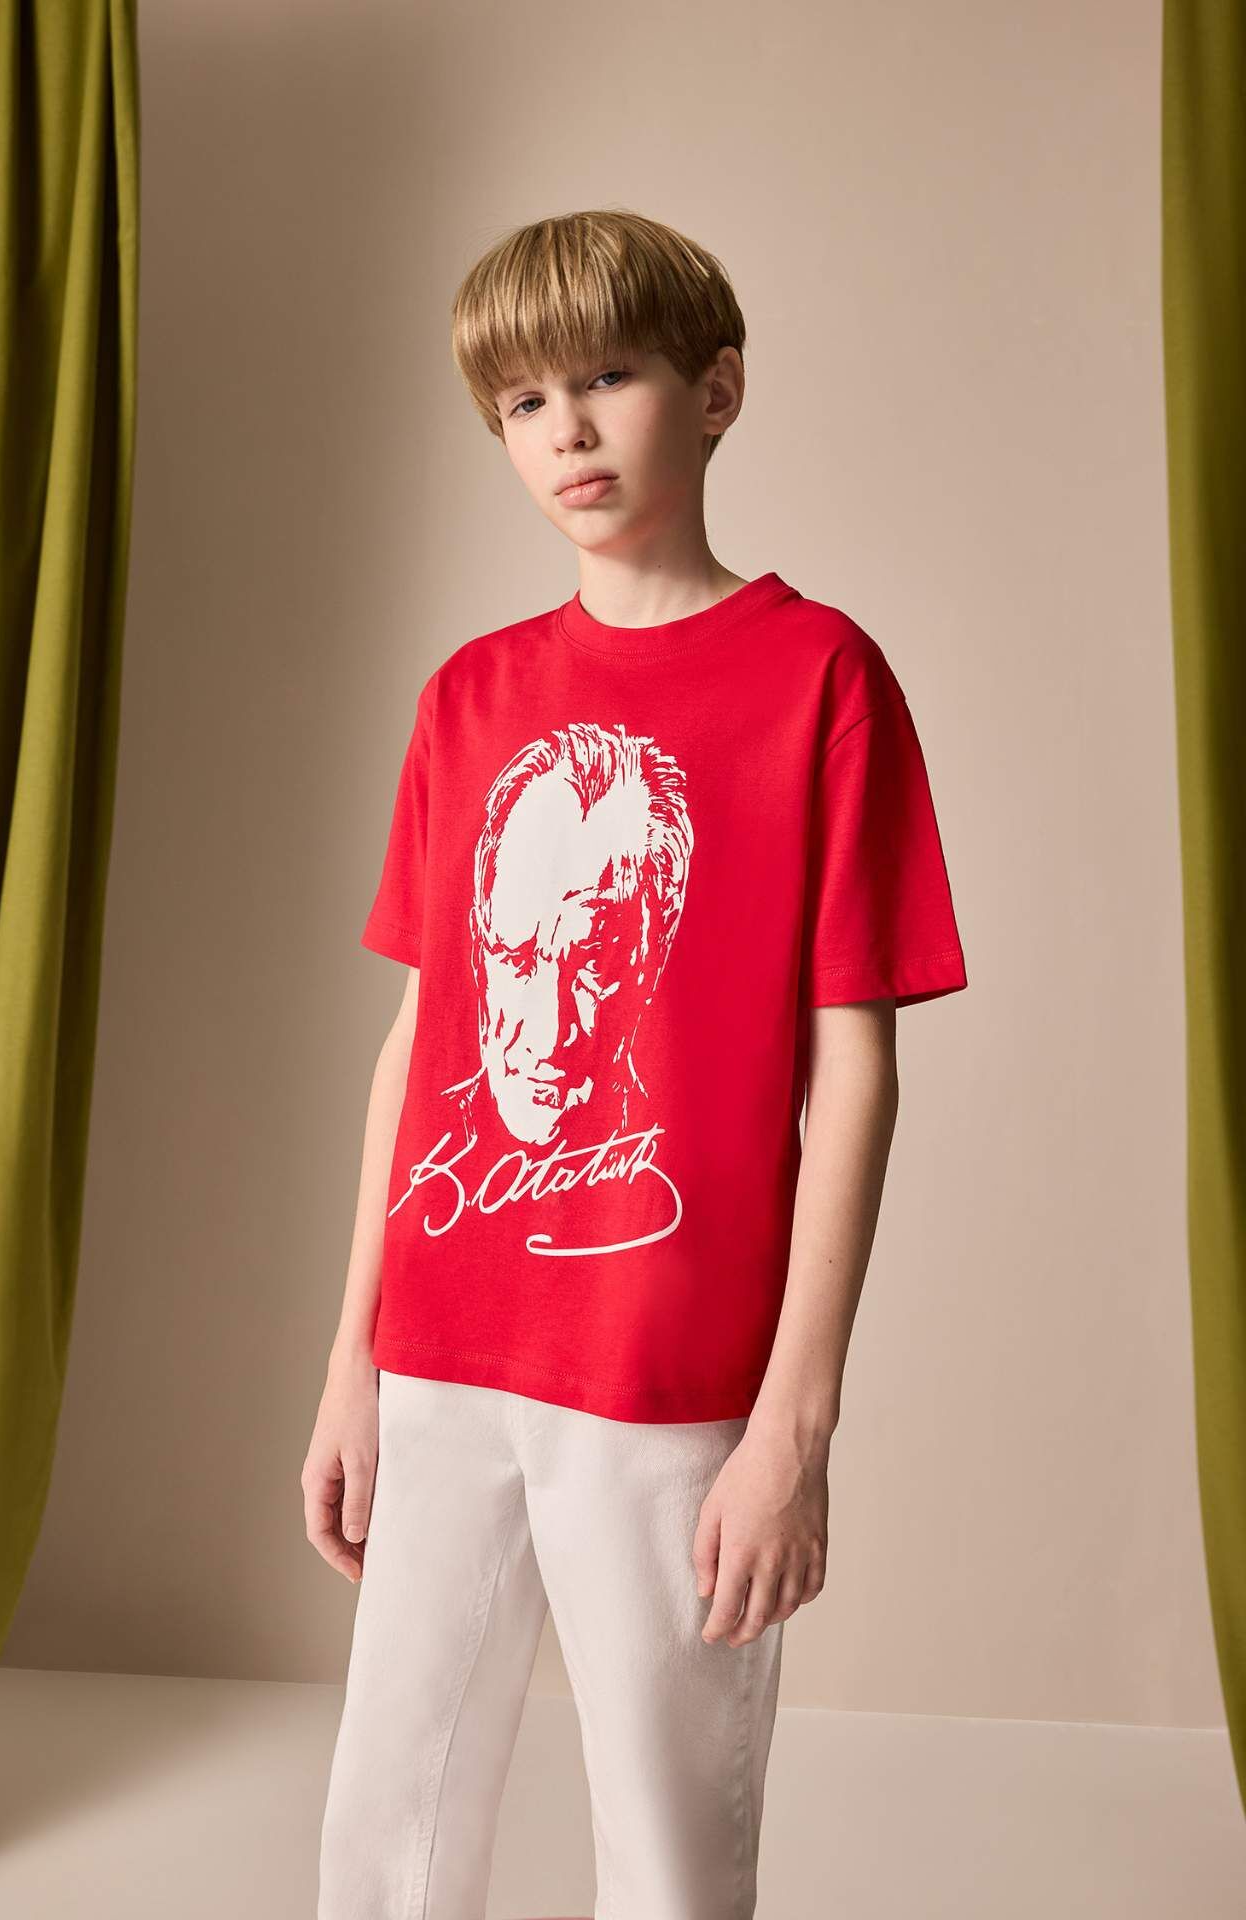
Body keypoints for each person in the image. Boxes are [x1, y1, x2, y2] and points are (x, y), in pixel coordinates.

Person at [306, 207, 968, 1920]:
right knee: (386, 1836)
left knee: (673, 1850)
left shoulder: (821, 680)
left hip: (674, 1378)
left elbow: (854, 1073)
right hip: (446, 1353)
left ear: (717, 390)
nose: (567, 431)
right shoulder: (470, 697)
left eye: (605, 378)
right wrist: (354, 1359)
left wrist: (794, 1426)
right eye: (523, 403)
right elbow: (419, 1043)